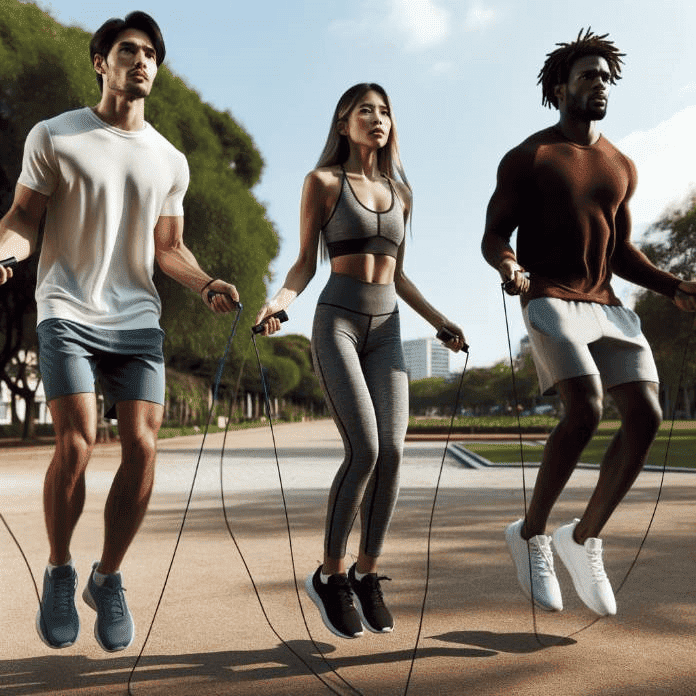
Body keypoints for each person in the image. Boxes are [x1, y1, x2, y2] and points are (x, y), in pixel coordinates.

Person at [0, 11, 238, 652]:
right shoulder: (55, 136)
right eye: (127, 50)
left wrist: (206, 282)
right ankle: (59, 570)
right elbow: (23, 217)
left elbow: (170, 248)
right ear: (99, 62)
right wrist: (3, 255)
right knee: (77, 442)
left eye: (151, 54)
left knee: (143, 446)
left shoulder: (170, 159)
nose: (141, 61)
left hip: (136, 319)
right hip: (67, 310)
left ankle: (107, 578)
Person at [482, 28, 696, 617]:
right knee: (585, 407)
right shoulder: (529, 155)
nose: (599, 84)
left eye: (605, 77)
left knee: (647, 415)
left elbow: (622, 251)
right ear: (560, 88)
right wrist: (507, 264)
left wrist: (674, 286)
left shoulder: (620, 162)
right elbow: (495, 233)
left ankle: (582, 538)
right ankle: (529, 535)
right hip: (547, 295)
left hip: (606, 303)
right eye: (587, 76)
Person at [255, 83, 466, 638]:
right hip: (339, 323)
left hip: (389, 328)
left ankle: (368, 573)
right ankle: (331, 574)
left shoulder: (401, 192)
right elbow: (305, 262)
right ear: (343, 123)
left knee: (394, 452)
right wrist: (278, 303)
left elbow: (397, 272)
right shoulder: (323, 182)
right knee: (365, 448)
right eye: (365, 110)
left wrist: (439, 320)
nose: (378, 118)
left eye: (386, 111)